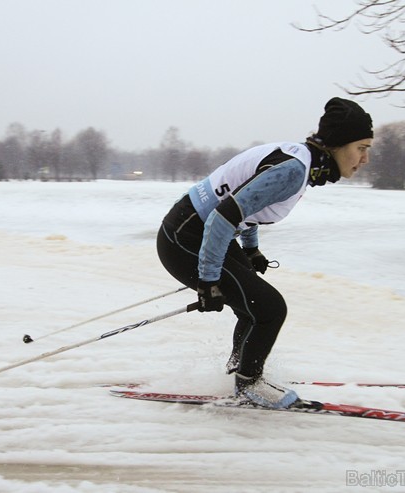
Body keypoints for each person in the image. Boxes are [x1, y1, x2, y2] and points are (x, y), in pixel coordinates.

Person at [156, 97, 374, 409]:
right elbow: (223, 216)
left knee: (254, 307)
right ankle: (249, 385)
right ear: (339, 144)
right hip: (185, 237)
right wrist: (208, 281)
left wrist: (251, 249)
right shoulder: (294, 170)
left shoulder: (300, 160)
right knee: (271, 309)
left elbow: (247, 206)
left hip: (198, 231)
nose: (365, 158)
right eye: (361, 147)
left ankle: (239, 370)